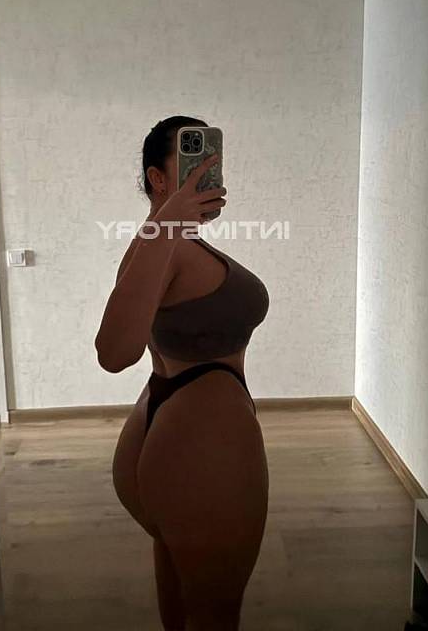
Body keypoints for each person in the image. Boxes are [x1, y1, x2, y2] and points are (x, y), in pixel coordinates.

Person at [95, 116, 270, 630]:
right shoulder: (162, 242)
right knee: (217, 616)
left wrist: (170, 223)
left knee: (184, 604)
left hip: (173, 424)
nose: (210, 170)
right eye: (196, 160)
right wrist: (170, 220)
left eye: (213, 160)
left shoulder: (162, 243)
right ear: (158, 179)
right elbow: (114, 352)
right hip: (200, 440)